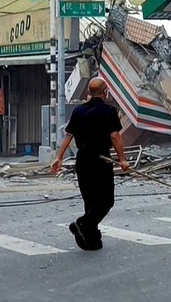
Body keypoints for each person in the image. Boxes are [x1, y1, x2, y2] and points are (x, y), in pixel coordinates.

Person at [51, 78, 130, 251]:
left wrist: (59, 157)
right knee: (106, 200)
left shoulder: (78, 111)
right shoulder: (109, 110)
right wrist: (122, 159)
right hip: (100, 159)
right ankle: (82, 223)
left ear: (89, 92)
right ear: (105, 92)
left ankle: (91, 240)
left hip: (83, 160)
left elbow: (68, 135)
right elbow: (115, 136)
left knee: (90, 199)